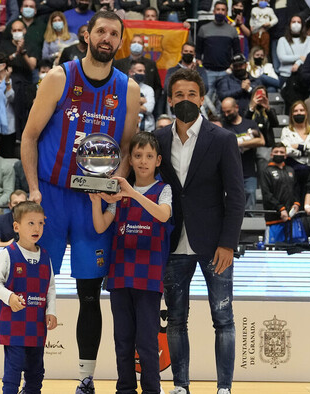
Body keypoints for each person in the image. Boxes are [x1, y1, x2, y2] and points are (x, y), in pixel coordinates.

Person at [20, 11, 140, 392]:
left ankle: (85, 379)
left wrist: (110, 190)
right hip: (52, 198)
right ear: (87, 35)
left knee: (89, 295)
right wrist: (33, 189)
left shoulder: (129, 89)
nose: (107, 38)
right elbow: (29, 136)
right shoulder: (59, 77)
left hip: (93, 203)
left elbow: (125, 149)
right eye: (101, 31)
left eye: (114, 34)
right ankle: (31, 379)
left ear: (120, 40)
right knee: (37, 293)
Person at [154, 68, 245, 394]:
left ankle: (224, 388)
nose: (186, 100)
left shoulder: (222, 139)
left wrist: (228, 244)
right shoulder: (158, 139)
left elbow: (236, 197)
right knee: (176, 321)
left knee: (223, 319)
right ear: (170, 99)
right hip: (172, 242)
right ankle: (181, 386)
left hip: (214, 245)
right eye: (179, 95)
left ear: (202, 98)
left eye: (192, 94)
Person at [89, 132, 172, 394]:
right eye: (138, 156)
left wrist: (133, 194)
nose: (143, 161)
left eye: (149, 156)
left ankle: (151, 390)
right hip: (121, 276)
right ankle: (124, 389)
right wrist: (95, 202)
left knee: (146, 342)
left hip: (149, 277)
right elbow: (101, 224)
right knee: (122, 341)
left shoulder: (163, 190)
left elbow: (162, 215)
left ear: (158, 160)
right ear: (130, 160)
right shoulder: (118, 192)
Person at [0, 201, 57, 394]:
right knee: (13, 371)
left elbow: (50, 288)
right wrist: (9, 297)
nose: (37, 228)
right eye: (31, 223)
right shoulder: (8, 254)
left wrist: (51, 311)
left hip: (36, 324)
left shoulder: (45, 255)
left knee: (36, 372)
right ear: (16, 226)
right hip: (13, 325)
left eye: (40, 223)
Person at [221, 97, 266, 211]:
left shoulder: (249, 123)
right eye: (224, 112)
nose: (226, 115)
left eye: (229, 111)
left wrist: (238, 143)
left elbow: (261, 141)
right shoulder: (223, 125)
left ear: (236, 108)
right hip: (229, 170)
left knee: (250, 195)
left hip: (248, 168)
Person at [196, 1, 241, 101]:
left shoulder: (232, 30)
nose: (220, 12)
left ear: (226, 12)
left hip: (226, 73)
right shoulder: (203, 29)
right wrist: (200, 65)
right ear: (213, 11)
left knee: (224, 104)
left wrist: (232, 67)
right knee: (206, 104)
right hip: (208, 72)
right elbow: (198, 51)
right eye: (218, 9)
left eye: (223, 10)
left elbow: (237, 52)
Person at [261, 142, 304, 244]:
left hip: (291, 219)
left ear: (285, 155)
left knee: (295, 251)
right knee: (272, 251)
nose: (279, 154)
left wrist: (297, 203)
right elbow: (267, 194)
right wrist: (280, 208)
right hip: (274, 219)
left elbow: (296, 190)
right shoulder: (266, 171)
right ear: (271, 154)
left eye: (281, 152)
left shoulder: (291, 170)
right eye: (276, 152)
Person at [280, 100, 310, 200]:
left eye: (301, 110)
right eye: (295, 111)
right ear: (291, 114)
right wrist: (307, 149)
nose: (299, 113)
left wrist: (299, 147)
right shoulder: (286, 131)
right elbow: (287, 150)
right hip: (293, 167)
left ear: (306, 113)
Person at [114, 34, 163, 99]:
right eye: (134, 42)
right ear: (129, 46)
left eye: (139, 43)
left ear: (143, 47)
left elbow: (157, 87)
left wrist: (151, 102)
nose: (136, 44)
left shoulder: (151, 64)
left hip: (145, 103)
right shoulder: (118, 63)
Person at [275, 15, 310, 86]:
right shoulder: (282, 40)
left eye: (299, 22)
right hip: (286, 76)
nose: (296, 24)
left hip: (303, 76)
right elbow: (282, 58)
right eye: (293, 22)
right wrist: (299, 57)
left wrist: (298, 63)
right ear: (289, 24)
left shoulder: (309, 40)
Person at [131, 61, 155, 132]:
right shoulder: (124, 86)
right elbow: (122, 107)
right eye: (139, 71)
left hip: (147, 128)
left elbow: (148, 109)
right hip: (128, 127)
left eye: (144, 71)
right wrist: (140, 100)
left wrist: (129, 102)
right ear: (131, 72)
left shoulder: (148, 89)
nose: (143, 73)